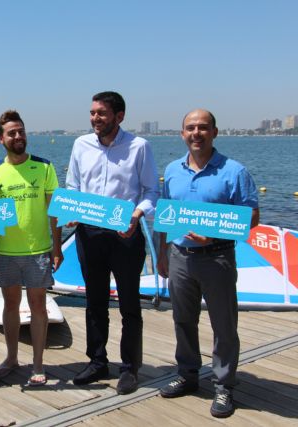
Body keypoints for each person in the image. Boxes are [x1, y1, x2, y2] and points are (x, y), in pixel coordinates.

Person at [157, 109, 259, 418]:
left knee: (223, 326)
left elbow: (252, 217)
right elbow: (165, 214)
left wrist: (212, 236)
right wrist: (161, 253)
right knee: (183, 321)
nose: (196, 133)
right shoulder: (173, 170)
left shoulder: (234, 171)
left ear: (215, 132)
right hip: (179, 258)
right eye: (190, 128)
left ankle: (224, 385)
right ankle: (188, 375)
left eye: (203, 127)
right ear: (182, 133)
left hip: (217, 258)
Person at [65, 91, 159, 395]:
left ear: (119, 116)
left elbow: (151, 192)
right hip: (89, 234)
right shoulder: (81, 145)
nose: (95, 118)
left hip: (126, 236)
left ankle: (130, 367)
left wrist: (137, 214)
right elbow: (73, 187)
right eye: (92, 113)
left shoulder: (139, 147)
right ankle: (97, 361)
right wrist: (71, 211)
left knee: (130, 304)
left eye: (101, 113)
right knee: (94, 302)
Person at [0, 110, 63, 386]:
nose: (18, 136)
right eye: (12, 133)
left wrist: (57, 248)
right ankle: (11, 357)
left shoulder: (44, 167)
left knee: (38, 306)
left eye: (21, 131)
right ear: (1, 139)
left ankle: (38, 364)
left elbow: (55, 212)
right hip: (7, 251)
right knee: (10, 305)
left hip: (38, 251)